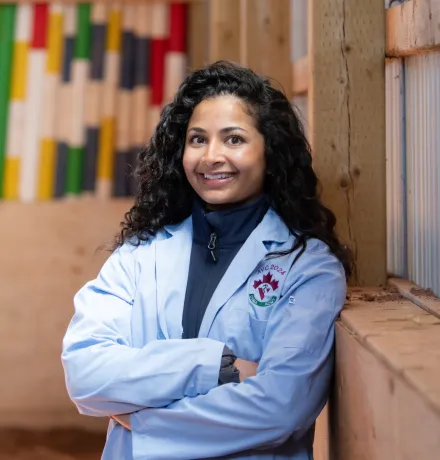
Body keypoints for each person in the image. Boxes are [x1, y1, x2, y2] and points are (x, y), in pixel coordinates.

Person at [61, 61, 351, 460]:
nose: (211, 156)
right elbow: (85, 372)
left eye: (234, 140)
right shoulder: (139, 255)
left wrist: (142, 419)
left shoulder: (307, 266)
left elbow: (281, 406)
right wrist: (214, 364)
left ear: (271, 151)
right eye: (197, 139)